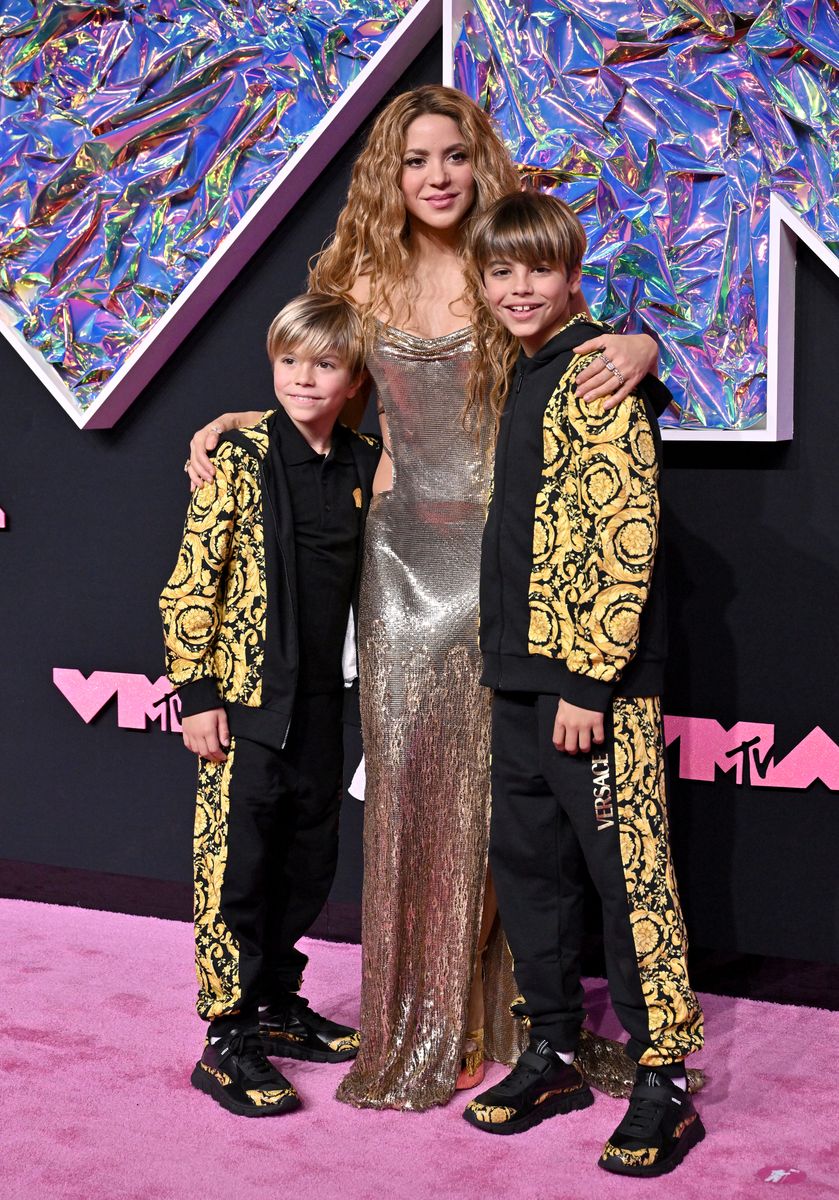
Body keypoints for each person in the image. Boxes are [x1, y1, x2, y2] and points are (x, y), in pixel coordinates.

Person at [185, 85, 664, 1111]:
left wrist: (646, 348)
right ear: (387, 175)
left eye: (451, 154)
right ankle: (416, 1012)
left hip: (503, 563)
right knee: (406, 790)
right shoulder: (355, 271)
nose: (435, 176)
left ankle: (520, 1019)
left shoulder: (505, 260)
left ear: (476, 159)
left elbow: (573, 352)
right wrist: (239, 416)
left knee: (505, 807)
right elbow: (318, 384)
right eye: (413, 160)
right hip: (397, 564)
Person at [461, 189, 704, 1176]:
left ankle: (664, 1082)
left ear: (570, 277)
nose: (519, 288)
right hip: (518, 677)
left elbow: (622, 534)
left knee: (626, 879)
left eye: (537, 271)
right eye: (500, 271)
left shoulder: (599, 367)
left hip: (589, 687)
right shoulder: (526, 373)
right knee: (530, 873)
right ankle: (553, 1050)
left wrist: (589, 681)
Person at [160, 294, 381, 1116]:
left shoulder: (365, 462)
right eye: (289, 361)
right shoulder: (238, 458)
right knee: (237, 871)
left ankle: (279, 1005)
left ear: (353, 378)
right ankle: (227, 1037)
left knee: (305, 864)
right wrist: (197, 693)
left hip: (330, 704)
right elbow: (191, 582)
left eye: (324, 365)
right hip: (248, 707)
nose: (302, 378)